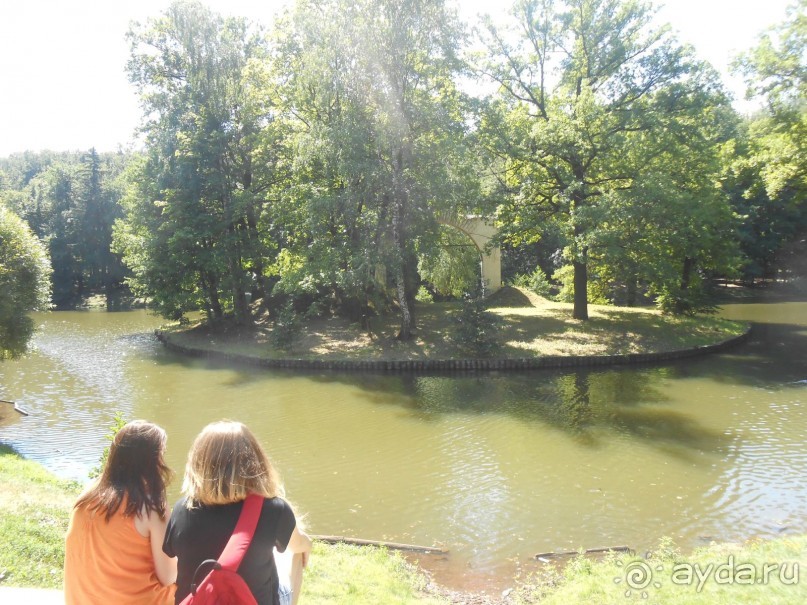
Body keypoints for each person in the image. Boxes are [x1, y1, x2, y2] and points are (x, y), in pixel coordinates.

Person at [163, 420, 312, 605]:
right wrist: (307, 545)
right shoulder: (274, 509)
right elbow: (298, 544)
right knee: (294, 553)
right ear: (255, 462)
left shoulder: (181, 509)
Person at [64, 420, 177, 605]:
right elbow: (168, 576)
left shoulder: (88, 493)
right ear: (151, 460)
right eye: (161, 454)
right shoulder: (151, 505)